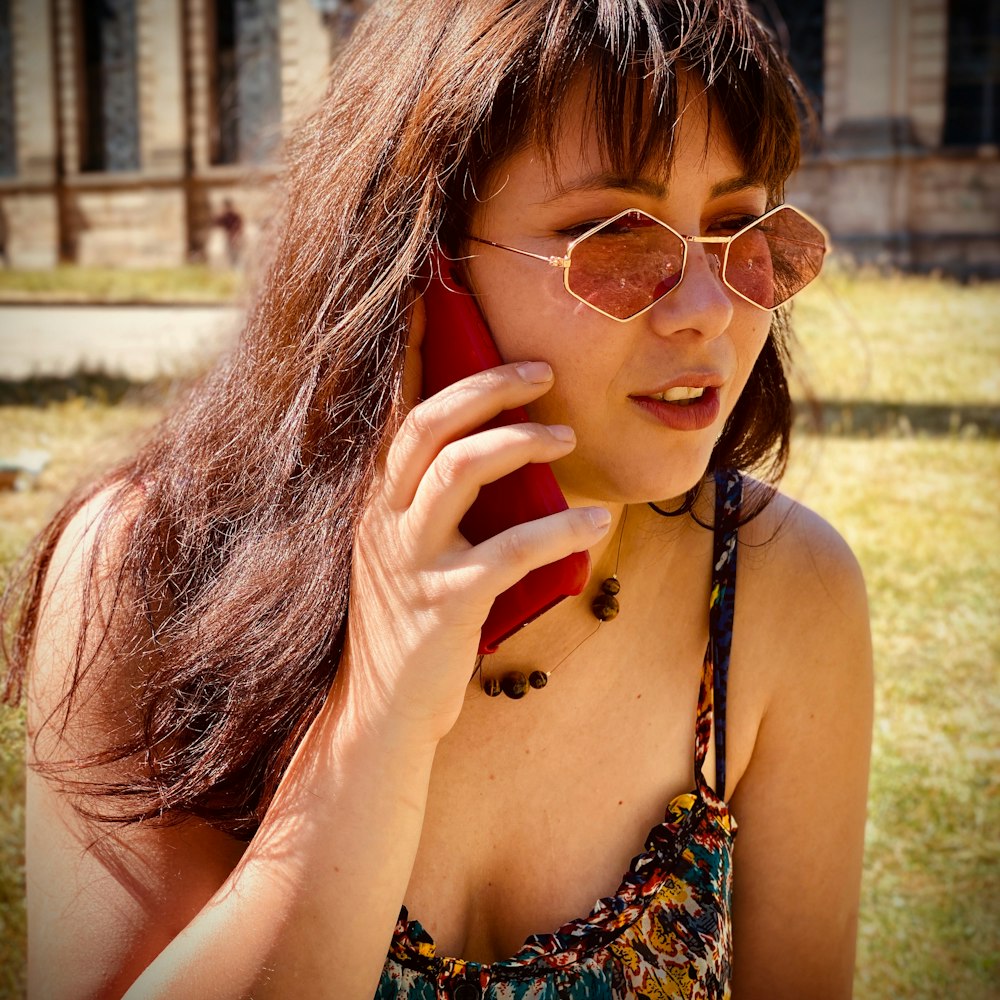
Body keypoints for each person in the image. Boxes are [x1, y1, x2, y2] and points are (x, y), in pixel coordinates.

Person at [8, 2, 873, 997]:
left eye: (736, 228)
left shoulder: (778, 593)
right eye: (616, 238)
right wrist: (376, 718)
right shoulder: (145, 569)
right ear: (420, 266)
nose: (709, 309)